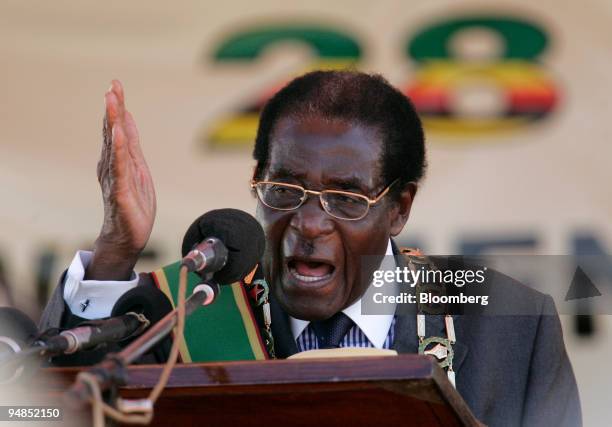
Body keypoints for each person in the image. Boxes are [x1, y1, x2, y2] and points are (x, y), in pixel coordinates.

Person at [40, 71, 581, 426]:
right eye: (284, 190)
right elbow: (59, 414)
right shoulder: (178, 312)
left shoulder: (512, 322)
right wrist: (115, 249)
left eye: (345, 197)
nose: (309, 223)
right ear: (256, 181)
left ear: (399, 209)